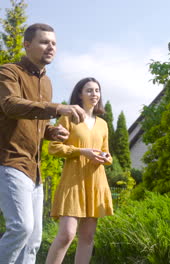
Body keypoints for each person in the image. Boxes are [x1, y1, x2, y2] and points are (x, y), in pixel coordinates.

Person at [0, 23, 86, 264]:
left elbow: (33, 123)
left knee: (34, 239)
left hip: (34, 169)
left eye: (54, 43)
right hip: (10, 161)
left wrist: (50, 132)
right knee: (20, 228)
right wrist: (57, 108)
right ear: (27, 45)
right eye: (44, 42)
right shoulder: (8, 72)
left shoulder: (46, 83)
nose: (51, 47)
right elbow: (10, 105)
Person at [45, 77, 114, 264]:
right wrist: (80, 151)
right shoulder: (68, 118)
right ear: (79, 94)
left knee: (88, 237)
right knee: (66, 234)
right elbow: (54, 147)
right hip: (73, 180)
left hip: (95, 181)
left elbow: (107, 153)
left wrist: (106, 158)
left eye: (97, 90)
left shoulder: (103, 124)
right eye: (89, 90)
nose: (94, 94)